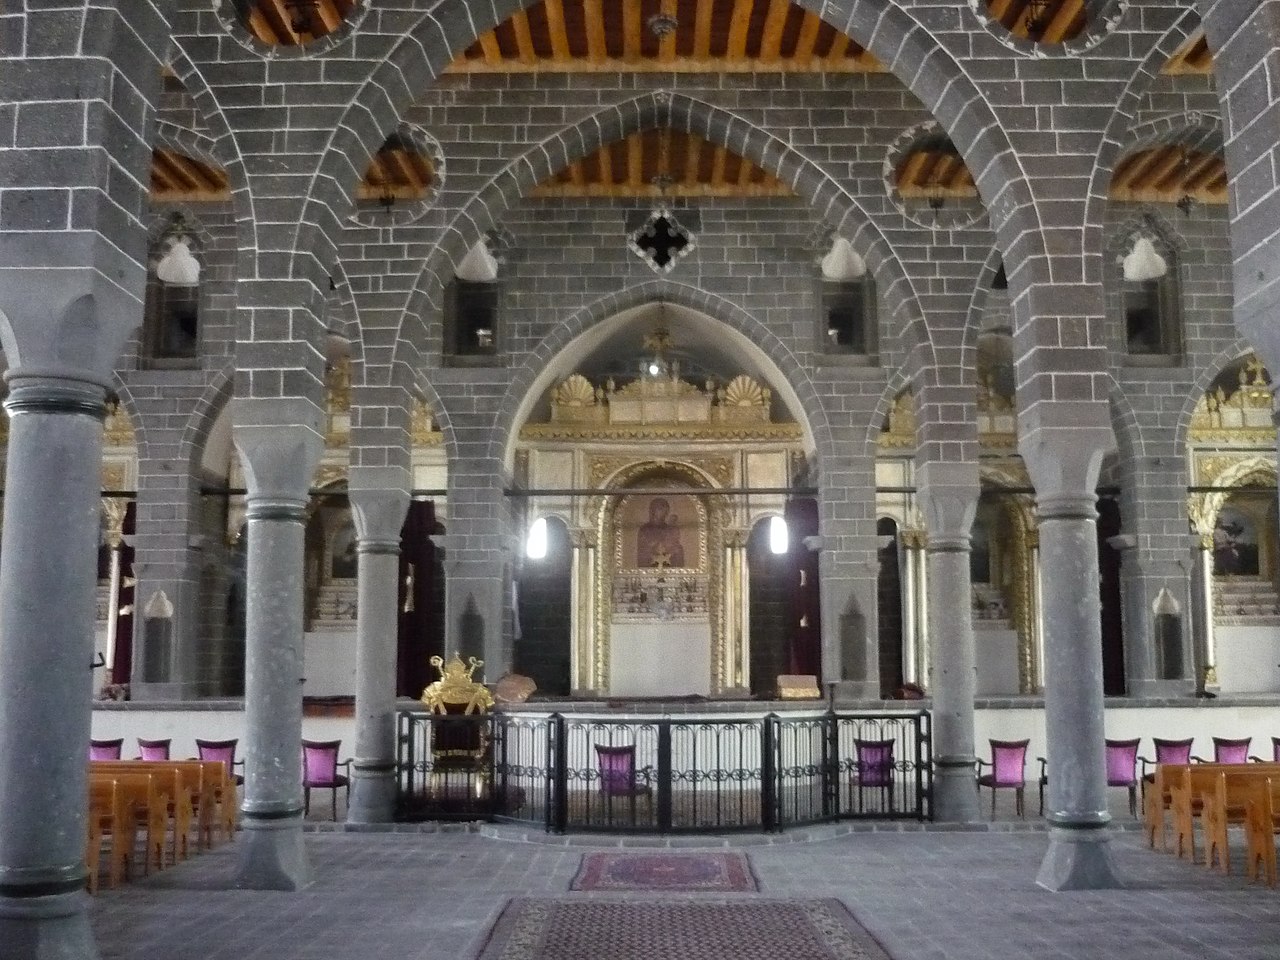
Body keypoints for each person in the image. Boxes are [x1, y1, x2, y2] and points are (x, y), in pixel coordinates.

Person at [635, 497, 685, 567]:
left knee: (679, 549)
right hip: (651, 564)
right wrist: (658, 545)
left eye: (666, 510)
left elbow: (674, 542)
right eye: (660, 509)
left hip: (668, 562)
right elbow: (644, 550)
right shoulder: (645, 529)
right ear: (653, 511)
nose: (664, 512)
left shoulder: (669, 528)